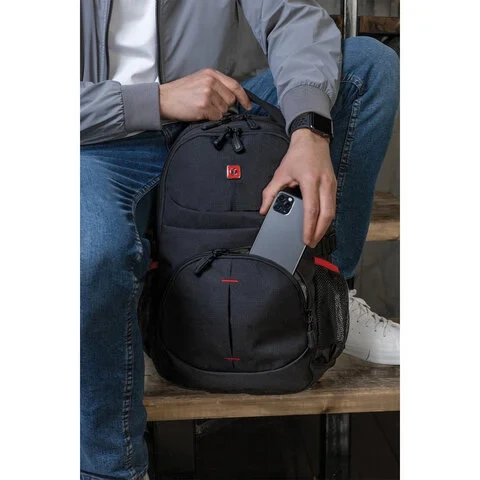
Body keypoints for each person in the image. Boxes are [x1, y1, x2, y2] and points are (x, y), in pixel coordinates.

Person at [80, 1, 400, 479]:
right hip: (98, 141)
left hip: (218, 117)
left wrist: (309, 129)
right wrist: (154, 100)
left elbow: (291, 16)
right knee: (90, 252)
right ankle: (113, 470)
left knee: (367, 66)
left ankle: (330, 296)